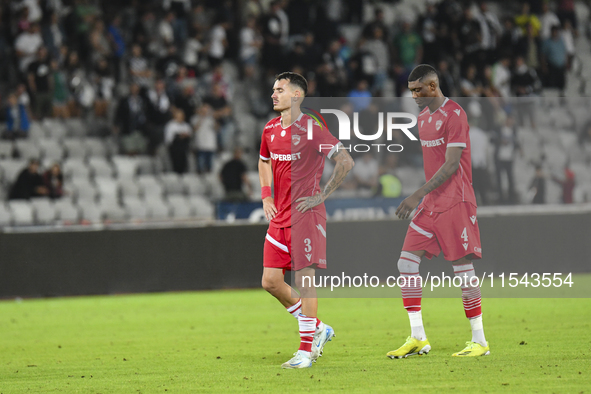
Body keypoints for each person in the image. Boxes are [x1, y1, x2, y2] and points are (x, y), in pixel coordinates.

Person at [388, 64, 489, 359]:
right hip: (431, 204)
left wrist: (416, 194)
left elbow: (451, 164)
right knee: (406, 263)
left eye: (418, 90)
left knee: (462, 269)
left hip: (456, 201)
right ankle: (418, 337)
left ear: (433, 86)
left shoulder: (455, 114)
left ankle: (479, 340)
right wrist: (424, 197)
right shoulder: (422, 118)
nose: (414, 96)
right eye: (411, 91)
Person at [259, 72, 354, 369]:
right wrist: (266, 196)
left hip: (306, 216)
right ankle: (319, 329)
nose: (274, 94)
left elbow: (345, 160)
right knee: (271, 281)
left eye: (280, 90)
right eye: (273, 89)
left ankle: (305, 352)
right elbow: (263, 161)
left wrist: (321, 195)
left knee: (305, 282)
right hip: (280, 217)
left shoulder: (311, 129)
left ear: (297, 96)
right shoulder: (271, 128)